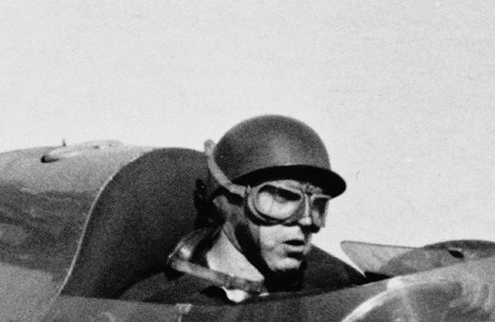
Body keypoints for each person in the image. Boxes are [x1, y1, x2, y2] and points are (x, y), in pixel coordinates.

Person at [121, 115, 367, 305]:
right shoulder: (155, 307)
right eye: (282, 196)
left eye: (318, 205)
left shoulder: (337, 294)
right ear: (228, 200)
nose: (305, 220)